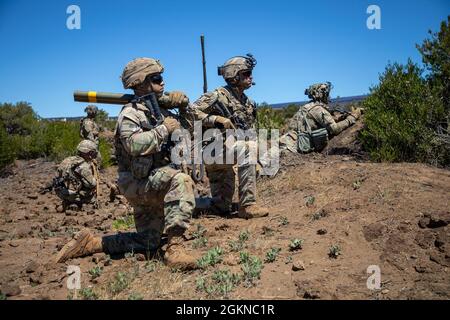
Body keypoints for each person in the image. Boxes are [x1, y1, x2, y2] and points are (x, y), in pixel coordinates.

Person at [55, 57, 198, 270]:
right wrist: (163, 130)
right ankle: (175, 250)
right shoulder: (130, 114)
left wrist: (185, 107)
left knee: (149, 242)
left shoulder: (162, 111)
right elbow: (134, 145)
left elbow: (193, 131)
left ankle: (92, 243)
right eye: (156, 78)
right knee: (181, 181)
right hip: (138, 183)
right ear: (140, 82)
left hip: (154, 181)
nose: (163, 83)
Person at [189, 54, 269, 219]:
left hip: (227, 152)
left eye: (250, 73)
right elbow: (189, 113)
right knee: (247, 150)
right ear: (234, 75)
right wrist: (216, 119)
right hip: (212, 150)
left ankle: (188, 206)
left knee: (221, 207)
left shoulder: (248, 103)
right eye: (246, 73)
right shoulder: (216, 96)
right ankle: (248, 206)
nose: (250, 77)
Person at [280, 82, 362, 153]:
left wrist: (340, 118)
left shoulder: (306, 107)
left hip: (285, 143)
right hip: (292, 148)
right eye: (326, 93)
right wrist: (353, 117)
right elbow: (335, 129)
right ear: (321, 94)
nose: (328, 96)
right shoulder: (317, 109)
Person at [54, 140, 99, 212]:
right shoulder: (83, 165)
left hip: (60, 192)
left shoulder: (68, 160)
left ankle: (67, 203)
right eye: (93, 153)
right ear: (89, 153)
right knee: (91, 188)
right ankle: (77, 203)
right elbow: (91, 184)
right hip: (72, 194)